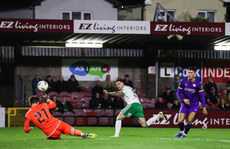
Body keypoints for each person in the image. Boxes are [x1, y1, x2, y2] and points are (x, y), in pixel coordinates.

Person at [24, 95, 96, 139]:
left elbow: (26, 130)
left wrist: (29, 129)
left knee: (52, 137)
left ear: (30, 104)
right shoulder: (43, 105)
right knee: (73, 131)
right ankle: (83, 134)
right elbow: (54, 105)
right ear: (38, 102)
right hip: (58, 124)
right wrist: (48, 99)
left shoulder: (28, 114)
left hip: (51, 132)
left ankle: (55, 137)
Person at [175, 66, 208, 138]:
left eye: (191, 73)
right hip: (185, 104)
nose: (189, 74)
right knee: (180, 121)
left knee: (189, 120)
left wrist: (204, 107)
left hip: (194, 104)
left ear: (195, 74)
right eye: (188, 72)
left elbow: (202, 96)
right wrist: (184, 99)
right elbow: (178, 93)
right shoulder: (183, 81)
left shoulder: (198, 84)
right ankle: (181, 131)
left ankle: (185, 134)